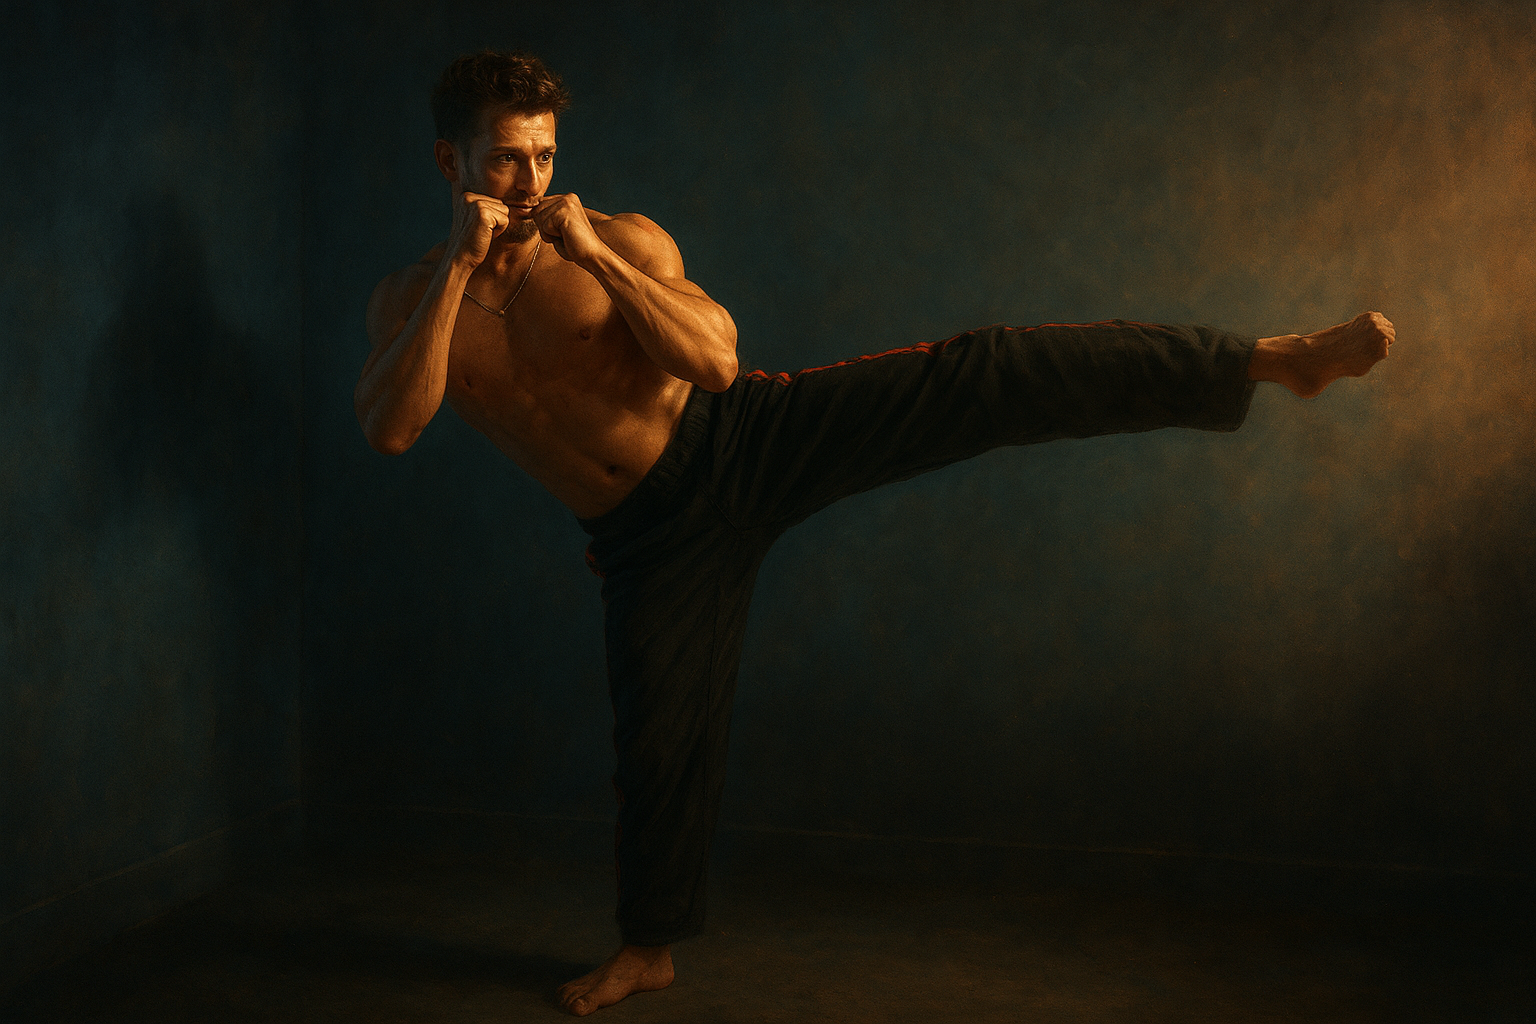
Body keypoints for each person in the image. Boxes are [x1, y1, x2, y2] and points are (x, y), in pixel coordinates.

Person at [354, 50, 1393, 1017]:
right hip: (647, 540)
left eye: (544, 153)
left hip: (745, 439)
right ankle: (651, 944)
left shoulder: (619, 238)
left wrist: (595, 257)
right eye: (507, 156)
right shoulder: (408, 300)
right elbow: (394, 427)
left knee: (983, 374)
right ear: (452, 161)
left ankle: (1263, 359)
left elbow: (713, 363)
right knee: (658, 742)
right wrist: (456, 267)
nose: (532, 179)